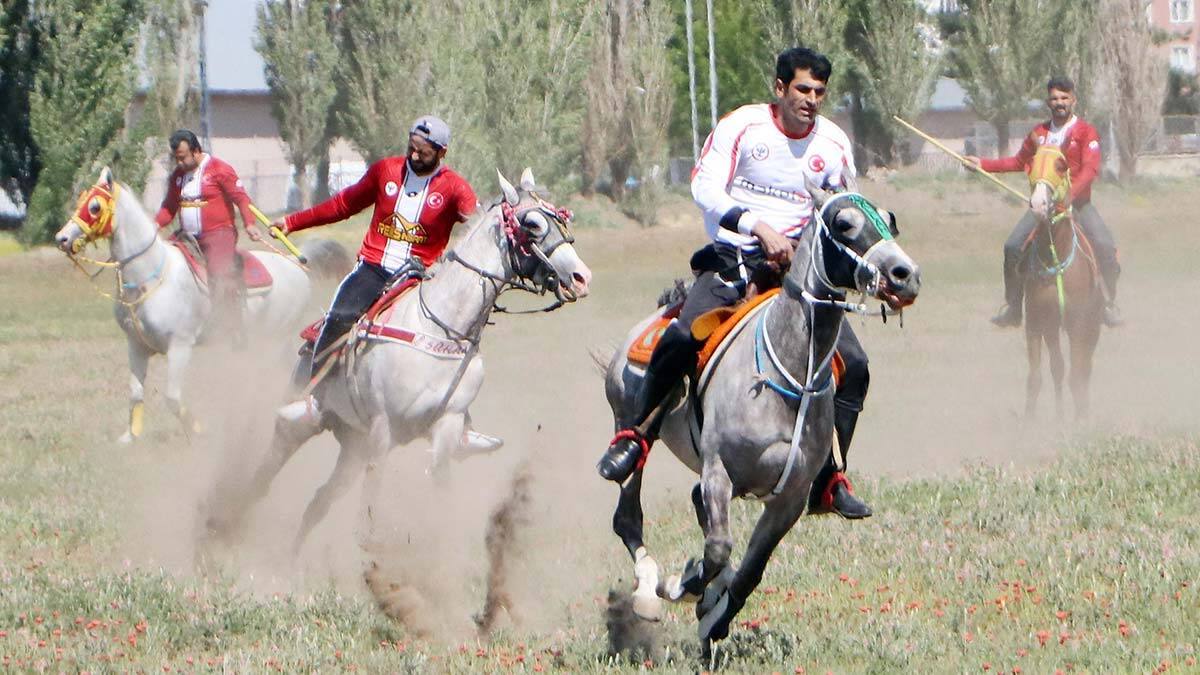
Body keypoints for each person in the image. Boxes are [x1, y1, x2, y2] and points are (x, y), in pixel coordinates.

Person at [596, 47, 874, 519]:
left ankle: (828, 479)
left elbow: (842, 209)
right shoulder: (743, 126)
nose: (811, 100)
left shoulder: (834, 143)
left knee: (857, 366)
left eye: (820, 93)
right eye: (803, 89)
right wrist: (756, 227)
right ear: (780, 87)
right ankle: (636, 437)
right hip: (734, 259)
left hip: (798, 277)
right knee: (683, 337)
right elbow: (704, 187)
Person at [271, 115, 478, 386]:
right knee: (341, 317)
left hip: (420, 279)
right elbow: (342, 205)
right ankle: (307, 391)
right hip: (374, 269)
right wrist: (292, 222)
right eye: (411, 148)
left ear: (442, 152)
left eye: (423, 153)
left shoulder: (456, 188)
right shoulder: (385, 171)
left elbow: (478, 223)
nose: (414, 156)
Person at [964, 76, 1121, 328]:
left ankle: (1108, 303)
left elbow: (1090, 169)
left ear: (1073, 100)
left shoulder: (1085, 132)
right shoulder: (1039, 134)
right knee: (1013, 247)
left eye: (1064, 98)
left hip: (1078, 204)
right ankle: (1014, 307)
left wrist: (1071, 194)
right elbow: (1018, 162)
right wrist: (983, 164)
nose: (1059, 103)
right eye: (1054, 98)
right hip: (1044, 207)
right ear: (1048, 102)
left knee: (1105, 245)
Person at [155, 130, 265, 338]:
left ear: (196, 151)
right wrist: (154, 225)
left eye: (183, 157)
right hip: (186, 237)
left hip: (219, 234)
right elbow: (169, 208)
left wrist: (250, 224)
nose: (179, 163)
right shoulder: (178, 176)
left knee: (220, 272)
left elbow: (241, 199)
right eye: (176, 158)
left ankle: (231, 328)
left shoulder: (219, 169)